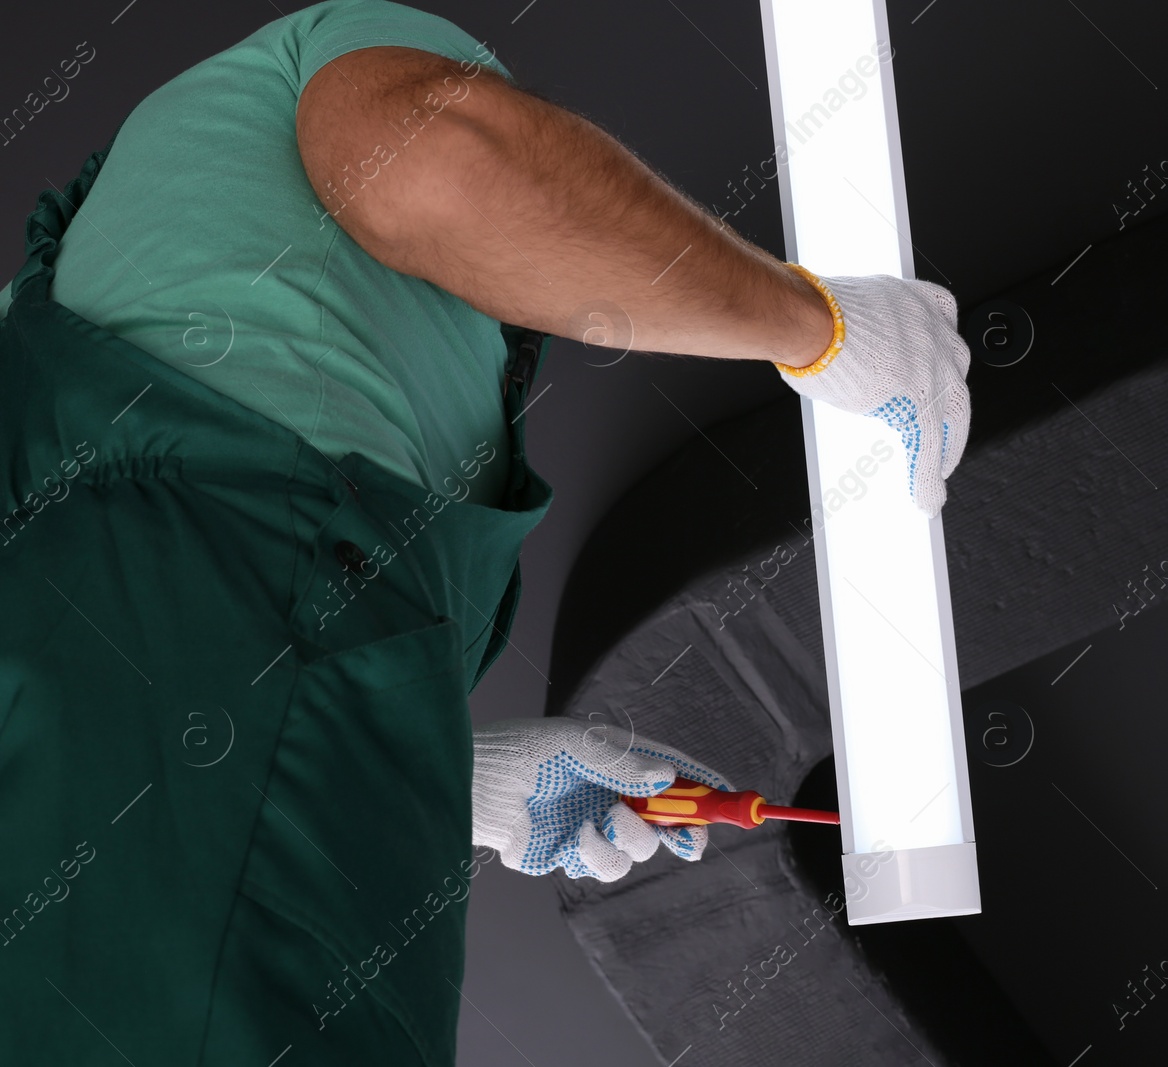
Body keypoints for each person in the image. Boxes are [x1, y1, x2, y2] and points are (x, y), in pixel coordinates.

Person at [0, 1, 971, 1062]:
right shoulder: (339, 53)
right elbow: (439, 166)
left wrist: (437, 776)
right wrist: (817, 327)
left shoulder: (166, 322)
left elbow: (112, 706)